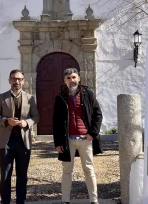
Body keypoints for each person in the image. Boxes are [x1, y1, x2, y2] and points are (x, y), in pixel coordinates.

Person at [52, 68, 103, 204]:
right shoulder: (60, 97)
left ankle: (94, 200)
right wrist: (58, 143)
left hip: (85, 139)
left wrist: (92, 133)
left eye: (74, 77)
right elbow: (56, 121)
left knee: (89, 169)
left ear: (79, 78)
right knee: (67, 171)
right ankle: (65, 200)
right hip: (68, 140)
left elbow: (98, 114)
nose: (71, 80)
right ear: (64, 81)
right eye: (68, 78)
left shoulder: (88, 94)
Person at [0, 69, 40, 204]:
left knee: (22, 175)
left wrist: (26, 122)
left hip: (23, 142)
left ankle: (20, 201)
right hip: (6, 141)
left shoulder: (30, 98)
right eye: (13, 79)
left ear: (23, 81)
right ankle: (5, 201)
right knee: (5, 175)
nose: (16, 82)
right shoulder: (2, 97)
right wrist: (6, 121)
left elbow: (36, 117)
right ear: (9, 81)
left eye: (19, 79)